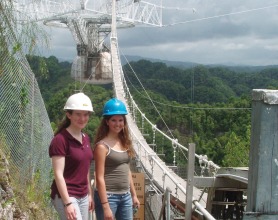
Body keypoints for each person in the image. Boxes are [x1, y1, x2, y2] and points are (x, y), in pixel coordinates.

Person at [49, 92, 94, 220]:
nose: (82, 118)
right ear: (68, 115)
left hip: (83, 195)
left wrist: (89, 194)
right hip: (67, 195)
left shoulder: (86, 138)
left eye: (86, 114)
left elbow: (85, 169)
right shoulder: (60, 140)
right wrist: (67, 203)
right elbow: (58, 174)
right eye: (78, 114)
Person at [93, 98, 140, 220]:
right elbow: (99, 177)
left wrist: (134, 195)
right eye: (113, 120)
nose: (117, 123)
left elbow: (127, 170)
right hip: (109, 197)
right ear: (107, 122)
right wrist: (105, 206)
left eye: (120, 120)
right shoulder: (102, 146)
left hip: (125, 196)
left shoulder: (125, 142)